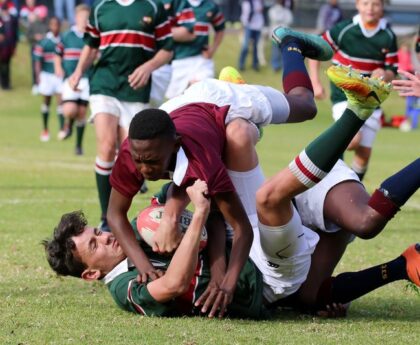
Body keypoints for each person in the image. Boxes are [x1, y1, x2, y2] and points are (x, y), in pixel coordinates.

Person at [43, 73, 420, 317]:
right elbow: (172, 282)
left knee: (363, 220)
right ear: (92, 273)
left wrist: (175, 212)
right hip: (268, 269)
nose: (105, 235)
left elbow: (205, 207)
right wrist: (197, 223)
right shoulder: (126, 287)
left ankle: (335, 99)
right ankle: (357, 110)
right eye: (96, 244)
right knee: (274, 204)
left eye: (96, 232)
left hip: (224, 119)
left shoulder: (182, 170)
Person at [107, 28, 333, 315]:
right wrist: (144, 266)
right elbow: (115, 215)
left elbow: (241, 228)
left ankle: (291, 45)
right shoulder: (133, 150)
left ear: (175, 145)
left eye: (151, 162)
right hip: (183, 108)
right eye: (139, 160)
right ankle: (240, 129)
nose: (143, 169)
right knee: (214, 164)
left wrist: (227, 281)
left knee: (305, 107)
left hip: (223, 100)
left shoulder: (202, 162)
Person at [68, 0, 174, 231]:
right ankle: (107, 218)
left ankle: (137, 209)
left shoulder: (152, 7)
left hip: (135, 88)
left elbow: (168, 48)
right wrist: (78, 71)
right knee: (106, 148)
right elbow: (91, 46)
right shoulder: (100, 8)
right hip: (104, 84)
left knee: (132, 155)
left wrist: (148, 67)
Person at [309, 0, 398, 181]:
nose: (370, 8)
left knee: (363, 154)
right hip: (344, 95)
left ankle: (353, 186)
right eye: (365, 3)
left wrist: (384, 73)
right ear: (357, 5)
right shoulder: (343, 29)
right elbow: (315, 50)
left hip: (371, 99)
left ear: (382, 7)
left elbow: (392, 70)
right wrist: (315, 82)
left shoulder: (388, 36)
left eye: (375, 4)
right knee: (352, 140)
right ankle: (332, 182)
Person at [165, 0, 225, 99]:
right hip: (179, 59)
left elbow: (220, 28)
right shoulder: (177, 3)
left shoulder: (211, 5)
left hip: (202, 59)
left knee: (203, 96)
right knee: (176, 102)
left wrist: (213, 49)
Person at [54, 4, 90, 155]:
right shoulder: (67, 36)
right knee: (70, 110)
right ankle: (68, 124)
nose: (84, 20)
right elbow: (57, 53)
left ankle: (78, 146)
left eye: (86, 18)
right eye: (81, 17)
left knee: (82, 113)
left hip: (86, 78)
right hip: (70, 78)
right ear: (76, 18)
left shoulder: (91, 37)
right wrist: (58, 67)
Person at [150, 0, 196, 106]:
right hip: (120, 62)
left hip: (161, 65)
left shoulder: (178, 2)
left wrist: (152, 30)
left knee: (149, 111)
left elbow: (189, 33)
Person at [34, 16, 64, 142]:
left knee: (60, 102)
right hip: (46, 75)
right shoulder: (44, 41)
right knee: (46, 102)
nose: (55, 27)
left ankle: (63, 129)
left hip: (58, 75)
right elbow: (37, 61)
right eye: (52, 25)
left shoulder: (63, 40)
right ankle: (45, 129)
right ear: (50, 26)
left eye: (57, 24)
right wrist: (38, 77)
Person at [20, 0, 48, 94]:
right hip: (35, 47)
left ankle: (43, 84)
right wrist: (35, 37)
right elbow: (28, 35)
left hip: (45, 48)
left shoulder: (46, 24)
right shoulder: (33, 24)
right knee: (34, 66)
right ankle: (35, 84)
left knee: (45, 66)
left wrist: (44, 36)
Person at [238, 0, 264, 71]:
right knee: (245, 46)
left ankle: (255, 64)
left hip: (258, 26)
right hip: (249, 26)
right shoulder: (247, 2)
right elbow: (244, 14)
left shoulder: (260, 2)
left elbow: (260, 13)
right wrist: (244, 24)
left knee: (256, 47)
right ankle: (241, 64)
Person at [268, 0, 293, 72]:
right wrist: (282, 19)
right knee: (275, 51)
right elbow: (275, 19)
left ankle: (284, 66)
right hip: (275, 33)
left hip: (284, 34)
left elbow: (289, 20)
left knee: (284, 51)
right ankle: (275, 66)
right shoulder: (272, 10)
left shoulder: (286, 11)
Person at [0, 0, 18, 90]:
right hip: (1, 47)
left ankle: (6, 83)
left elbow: (15, 34)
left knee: (7, 65)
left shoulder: (12, 19)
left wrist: (14, 47)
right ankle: (2, 83)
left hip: (8, 47)